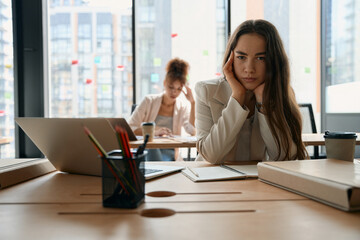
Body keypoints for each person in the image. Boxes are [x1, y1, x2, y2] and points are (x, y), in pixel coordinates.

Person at [195, 19, 308, 164]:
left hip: (257, 183)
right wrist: (237, 97)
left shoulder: (281, 93)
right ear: (231, 58)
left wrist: (263, 102)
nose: (249, 69)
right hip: (211, 182)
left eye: (261, 58)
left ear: (273, 62)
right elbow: (211, 156)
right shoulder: (206, 90)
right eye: (241, 57)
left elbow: (284, 157)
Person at [128, 58, 196, 161]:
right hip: (149, 149)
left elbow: (192, 131)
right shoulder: (148, 101)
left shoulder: (182, 107)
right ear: (164, 83)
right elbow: (130, 128)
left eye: (179, 89)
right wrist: (155, 132)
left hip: (170, 152)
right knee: (152, 149)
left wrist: (192, 103)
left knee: (162, 161)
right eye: (171, 87)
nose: (174, 92)